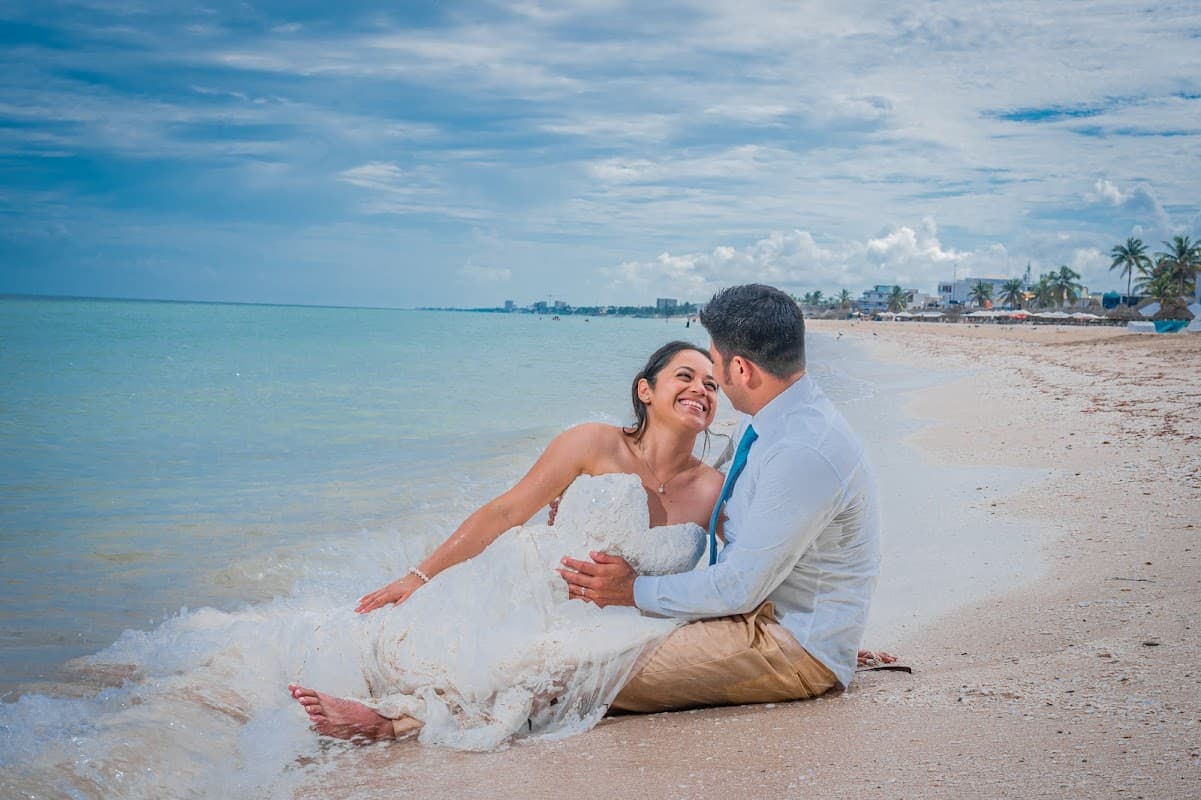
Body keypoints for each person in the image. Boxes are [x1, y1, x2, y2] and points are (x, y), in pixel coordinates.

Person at [288, 341, 726, 748]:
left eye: (711, 384)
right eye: (684, 376)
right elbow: (506, 511)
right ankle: (394, 714)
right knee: (437, 657)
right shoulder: (593, 441)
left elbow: (749, 564)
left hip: (626, 622)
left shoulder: (714, 489)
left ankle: (393, 724)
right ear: (645, 391)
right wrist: (417, 576)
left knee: (545, 669)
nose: (699, 390)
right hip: (529, 590)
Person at [559, 283, 881, 711]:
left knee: (576, 678)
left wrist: (632, 589)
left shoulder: (802, 450)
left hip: (787, 644)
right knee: (577, 645)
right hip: (756, 612)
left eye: (715, 365)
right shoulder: (769, 423)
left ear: (742, 370)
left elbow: (738, 588)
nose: (713, 379)